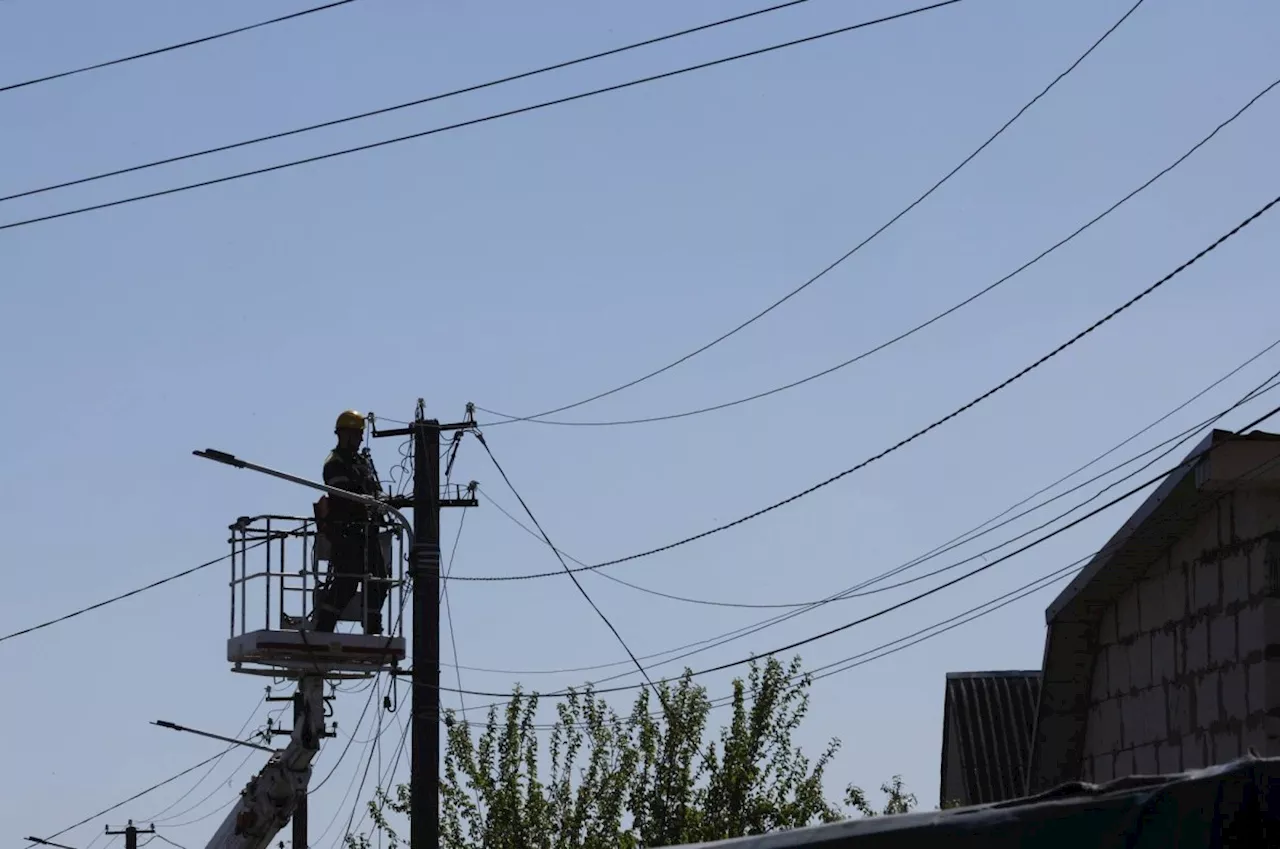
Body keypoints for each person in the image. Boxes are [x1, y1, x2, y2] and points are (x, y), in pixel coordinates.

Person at [311, 409, 389, 635]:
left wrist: (382, 501)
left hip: (367, 532)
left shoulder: (362, 462)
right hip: (346, 532)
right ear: (343, 435)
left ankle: (372, 625)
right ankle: (323, 629)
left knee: (379, 579)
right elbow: (344, 494)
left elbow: (373, 489)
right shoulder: (334, 463)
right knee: (346, 581)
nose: (359, 439)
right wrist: (366, 500)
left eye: (360, 435)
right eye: (356, 435)